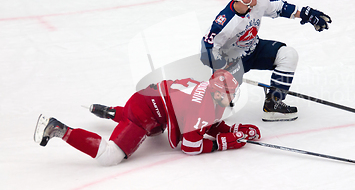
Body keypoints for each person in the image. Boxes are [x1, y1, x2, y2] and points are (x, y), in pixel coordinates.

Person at [34, 70, 261, 166]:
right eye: (229, 93)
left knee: (153, 130)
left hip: (147, 103)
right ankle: (58, 129)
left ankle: (114, 112)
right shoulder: (203, 106)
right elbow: (190, 146)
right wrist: (223, 143)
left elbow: (202, 120)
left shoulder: (207, 91)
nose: (232, 97)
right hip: (145, 113)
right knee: (110, 157)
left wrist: (230, 129)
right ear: (217, 93)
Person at [200, 0, 332, 122]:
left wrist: (307, 14)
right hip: (232, 61)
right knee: (216, 112)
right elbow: (209, 48)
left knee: (288, 54)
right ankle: (220, 96)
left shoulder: (258, 2)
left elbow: (279, 7)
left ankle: (273, 104)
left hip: (255, 49)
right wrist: (220, 70)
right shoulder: (225, 22)